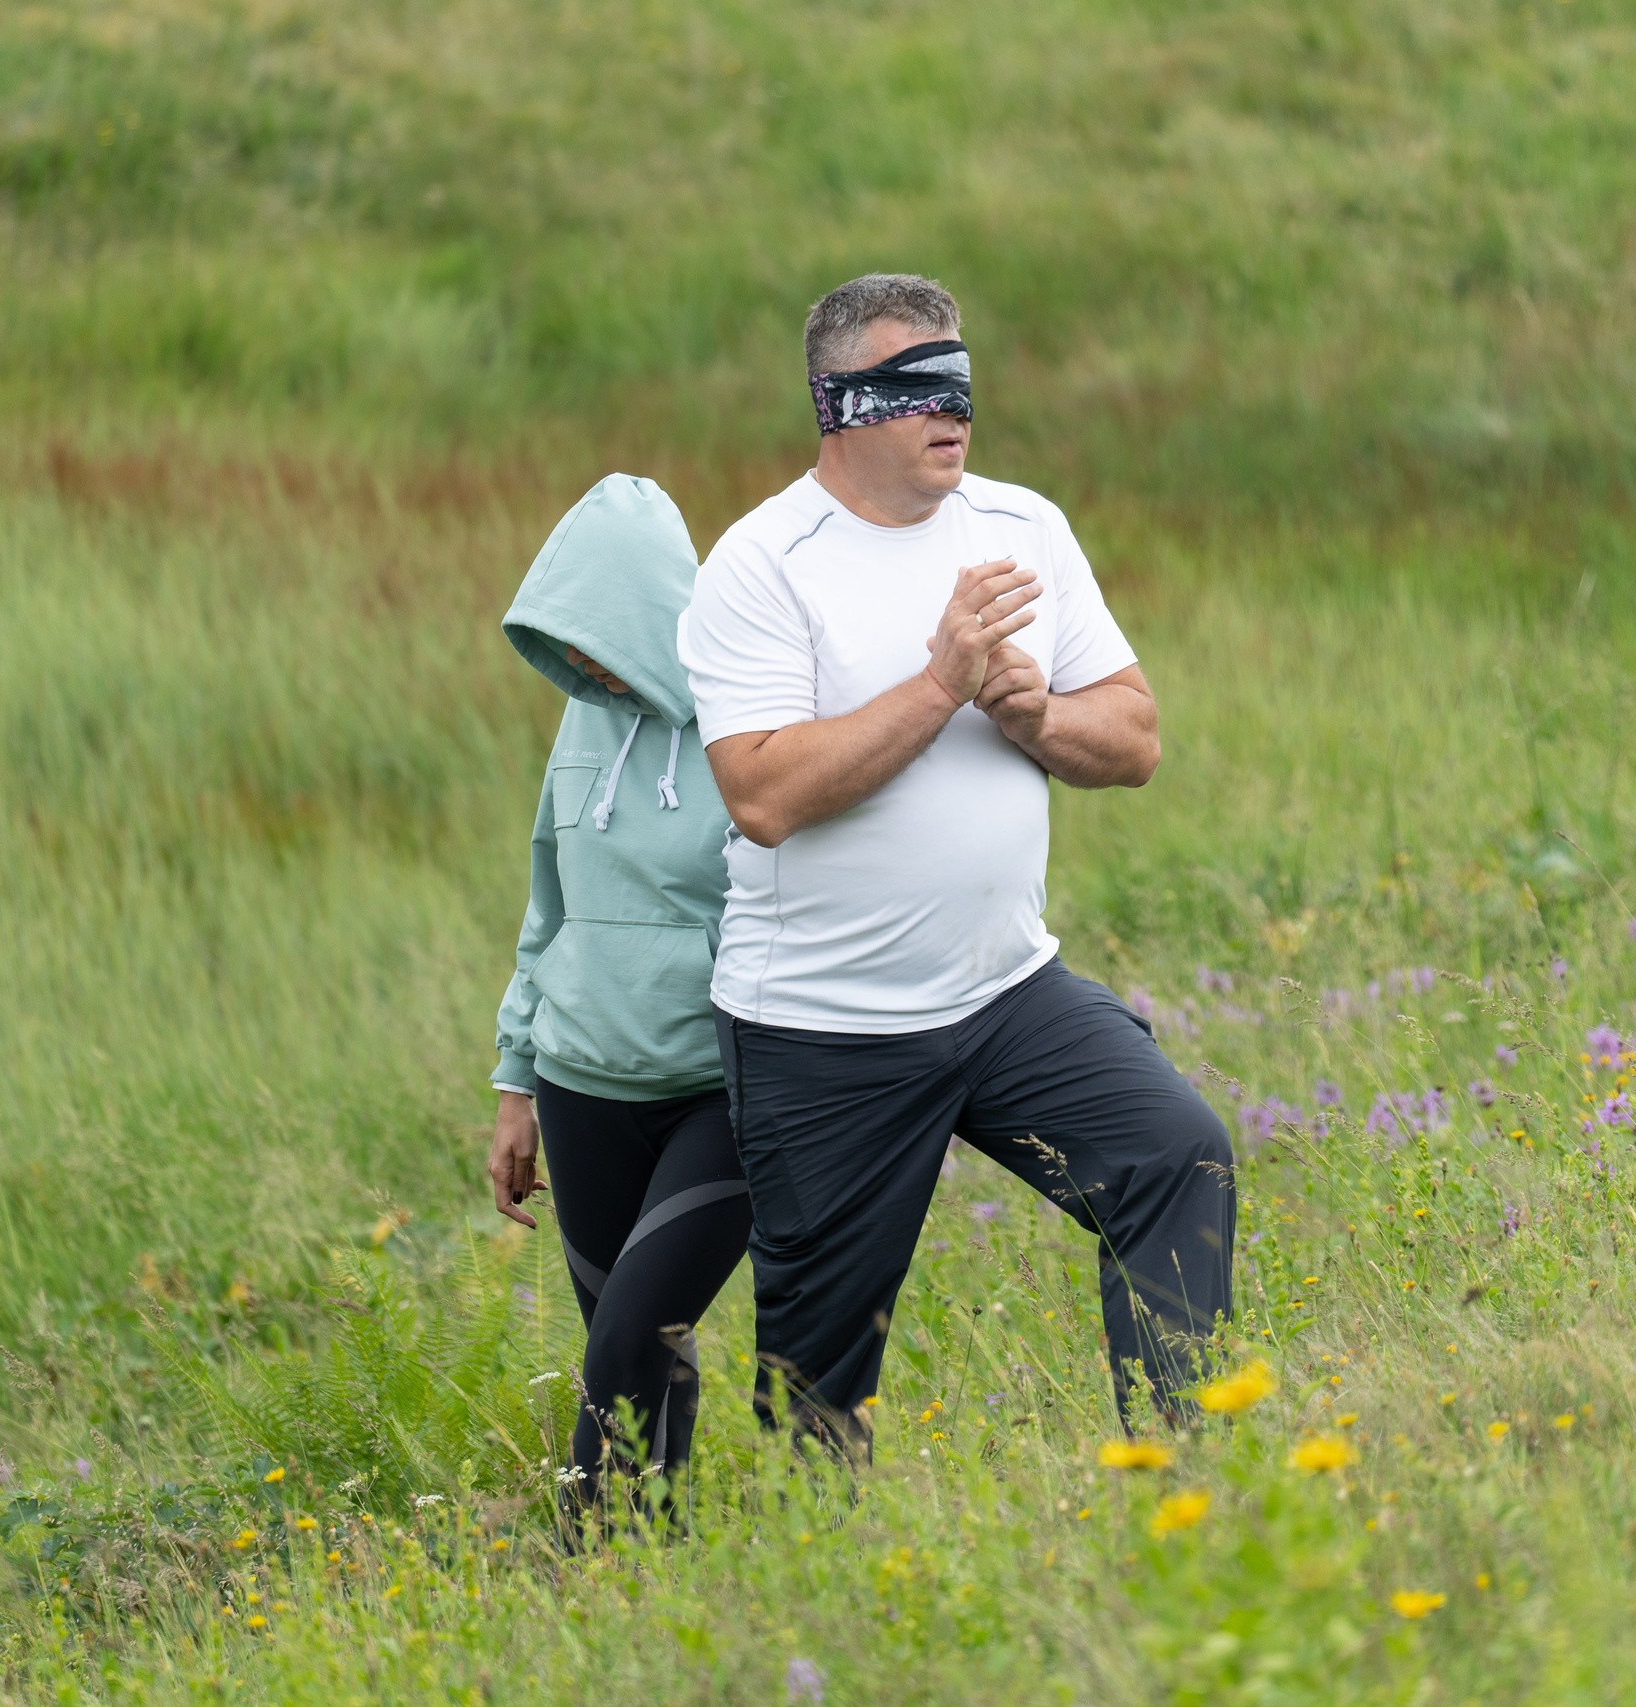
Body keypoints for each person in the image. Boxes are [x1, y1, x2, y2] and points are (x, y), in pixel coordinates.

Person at [678, 273, 1235, 1447]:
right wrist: (941, 684)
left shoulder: (1021, 526)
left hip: (1004, 995)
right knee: (819, 1379)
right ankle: (814, 1573)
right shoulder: (762, 563)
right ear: (838, 404)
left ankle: (1184, 1470)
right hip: (824, 1028)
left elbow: (1132, 742)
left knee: (1173, 1154)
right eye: (916, 386)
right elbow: (764, 795)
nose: (955, 412)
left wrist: (1032, 716)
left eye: (961, 382)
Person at [487, 473, 751, 1514]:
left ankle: (577, 1559)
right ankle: (653, 1564)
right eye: (561, 641)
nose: (581, 663)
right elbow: (546, 906)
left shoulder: (747, 712)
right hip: (581, 1080)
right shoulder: (582, 721)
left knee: (635, 1326)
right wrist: (516, 1083)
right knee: (640, 1351)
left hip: (718, 1089)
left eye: (595, 636)